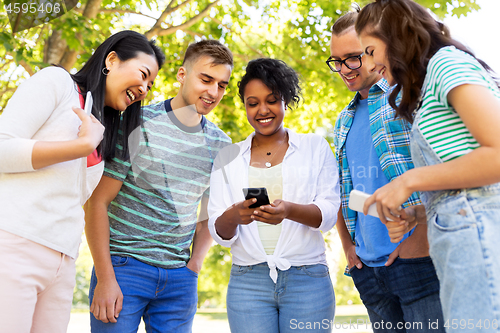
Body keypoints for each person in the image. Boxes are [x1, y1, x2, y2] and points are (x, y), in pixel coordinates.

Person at [0, 30, 164, 333]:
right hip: (14, 248)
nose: (144, 89)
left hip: (61, 264)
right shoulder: (56, 83)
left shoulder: (103, 128)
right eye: (143, 75)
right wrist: (79, 147)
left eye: (150, 85)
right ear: (112, 60)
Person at [355, 0, 500, 330]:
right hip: (456, 236)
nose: (368, 63)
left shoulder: (446, 64)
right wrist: (417, 215)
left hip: (478, 233)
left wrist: (408, 181)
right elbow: (464, 179)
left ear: (395, 36)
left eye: (370, 50)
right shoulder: (425, 92)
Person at [85, 39, 233, 333]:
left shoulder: (221, 145)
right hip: (124, 269)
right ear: (182, 74)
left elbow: (208, 214)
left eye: (222, 85)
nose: (213, 92)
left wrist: (194, 268)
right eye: (206, 79)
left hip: (179, 279)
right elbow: (97, 202)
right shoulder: (136, 122)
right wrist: (105, 277)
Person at [329, 8, 444, 332]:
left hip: (418, 260)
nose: (344, 69)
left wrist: (417, 241)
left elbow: (443, 167)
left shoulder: (407, 97)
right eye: (336, 61)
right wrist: (349, 248)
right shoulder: (343, 120)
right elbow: (342, 188)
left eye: (353, 57)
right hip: (368, 270)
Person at [208, 58, 340, 333]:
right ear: (244, 105)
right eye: (252, 103)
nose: (262, 110)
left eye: (272, 100)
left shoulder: (315, 147)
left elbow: (328, 212)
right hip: (248, 282)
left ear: (285, 101)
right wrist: (235, 215)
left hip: (307, 279)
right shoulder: (228, 157)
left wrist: (289, 210)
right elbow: (218, 231)